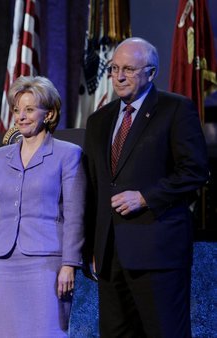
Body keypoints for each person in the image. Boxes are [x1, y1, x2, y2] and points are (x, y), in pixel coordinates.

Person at [83, 37, 209, 337]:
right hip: (109, 255)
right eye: (114, 68)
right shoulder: (98, 120)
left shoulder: (175, 109)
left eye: (128, 69)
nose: (119, 76)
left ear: (151, 73)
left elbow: (195, 171)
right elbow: (92, 187)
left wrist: (145, 197)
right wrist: (90, 246)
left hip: (157, 252)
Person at [0, 75, 86, 337]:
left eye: (29, 109)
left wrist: (69, 264)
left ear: (48, 114)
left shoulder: (67, 154)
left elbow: (74, 214)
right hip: (3, 262)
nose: (21, 116)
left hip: (46, 263)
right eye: (17, 110)